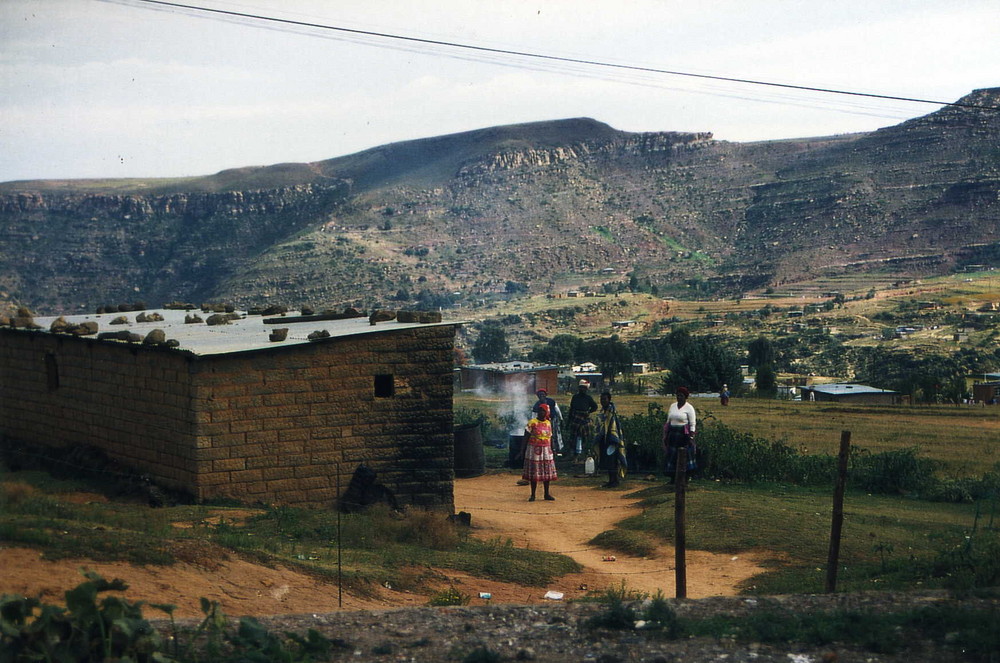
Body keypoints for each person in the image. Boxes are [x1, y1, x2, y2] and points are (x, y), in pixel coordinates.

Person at [521, 403, 557, 501]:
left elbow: (551, 437)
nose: (541, 412)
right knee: (535, 473)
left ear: (547, 412)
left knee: (547, 472)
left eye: (543, 410)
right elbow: (526, 437)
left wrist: (553, 450)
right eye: (540, 410)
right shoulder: (532, 423)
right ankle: (533, 494)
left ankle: (546, 494)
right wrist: (522, 450)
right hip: (534, 451)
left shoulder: (548, 423)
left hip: (546, 450)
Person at [663, 386, 697, 483]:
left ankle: (685, 479)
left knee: (684, 456)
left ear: (685, 397)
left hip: (683, 435)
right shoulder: (673, 406)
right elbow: (668, 420)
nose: (679, 398)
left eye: (681, 396)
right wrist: (665, 434)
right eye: (678, 396)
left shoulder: (689, 408)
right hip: (673, 434)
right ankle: (672, 478)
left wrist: (691, 436)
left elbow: (692, 423)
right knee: (672, 456)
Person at [593, 390, 627, 487]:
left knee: (612, 460)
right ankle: (611, 480)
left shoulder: (611, 411)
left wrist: (612, 437)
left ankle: (614, 480)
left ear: (609, 400)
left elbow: (613, 426)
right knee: (608, 460)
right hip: (604, 439)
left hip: (612, 439)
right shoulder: (603, 411)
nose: (602, 401)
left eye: (604, 399)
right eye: (601, 399)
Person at [567, 379, 598, 461]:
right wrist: (568, 421)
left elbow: (595, 407)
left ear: (586, 389)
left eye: (584, 388)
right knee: (573, 438)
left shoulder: (588, 398)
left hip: (584, 420)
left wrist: (588, 412)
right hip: (575, 419)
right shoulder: (575, 397)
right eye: (581, 388)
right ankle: (574, 455)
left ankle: (582, 454)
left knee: (583, 438)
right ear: (579, 388)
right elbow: (571, 409)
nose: (582, 389)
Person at [531, 388, 564, 456]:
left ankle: (556, 449)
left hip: (553, 420)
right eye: (540, 395)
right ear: (538, 396)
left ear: (546, 395)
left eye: (543, 394)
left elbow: (557, 410)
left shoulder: (551, 401)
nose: (541, 396)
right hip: (542, 423)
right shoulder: (537, 405)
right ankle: (547, 449)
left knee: (554, 435)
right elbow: (533, 415)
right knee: (545, 436)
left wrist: (561, 419)